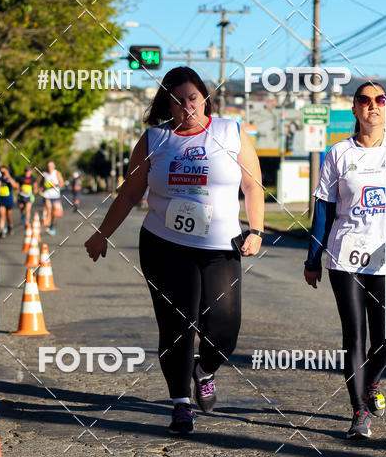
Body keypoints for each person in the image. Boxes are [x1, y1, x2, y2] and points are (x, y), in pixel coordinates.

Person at [85, 66, 265, 435]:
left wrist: (257, 230)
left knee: (225, 329)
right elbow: (130, 194)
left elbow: (253, 186)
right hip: (165, 245)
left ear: (205, 98)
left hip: (221, 245)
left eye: (193, 98)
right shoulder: (155, 140)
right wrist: (102, 233)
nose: (187, 107)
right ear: (167, 105)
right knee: (177, 325)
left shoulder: (230, 132)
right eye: (178, 101)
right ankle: (180, 403)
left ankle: (206, 369)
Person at [303, 82, 386, 439]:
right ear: (355, 109)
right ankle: (359, 412)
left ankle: (372, 380)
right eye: (364, 100)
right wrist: (313, 258)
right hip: (346, 255)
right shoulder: (338, 153)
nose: (372, 105)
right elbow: (324, 210)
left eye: (379, 100)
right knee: (354, 335)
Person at [42, 161, 64, 235]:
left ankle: (52, 226)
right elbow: (41, 184)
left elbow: (62, 183)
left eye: (51, 166)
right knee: (48, 208)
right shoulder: (44, 174)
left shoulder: (57, 173)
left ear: (54, 166)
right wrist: (42, 187)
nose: (49, 167)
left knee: (54, 213)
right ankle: (48, 225)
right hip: (47, 195)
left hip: (55, 195)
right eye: (48, 166)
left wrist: (55, 184)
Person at [0, 166, 18, 236]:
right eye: (1, 171)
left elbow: (15, 186)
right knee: (2, 215)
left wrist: (8, 176)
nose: (3, 173)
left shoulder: (10, 178)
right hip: (1, 200)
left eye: (4, 171)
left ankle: (10, 226)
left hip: (8, 199)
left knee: (8, 215)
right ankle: (2, 229)